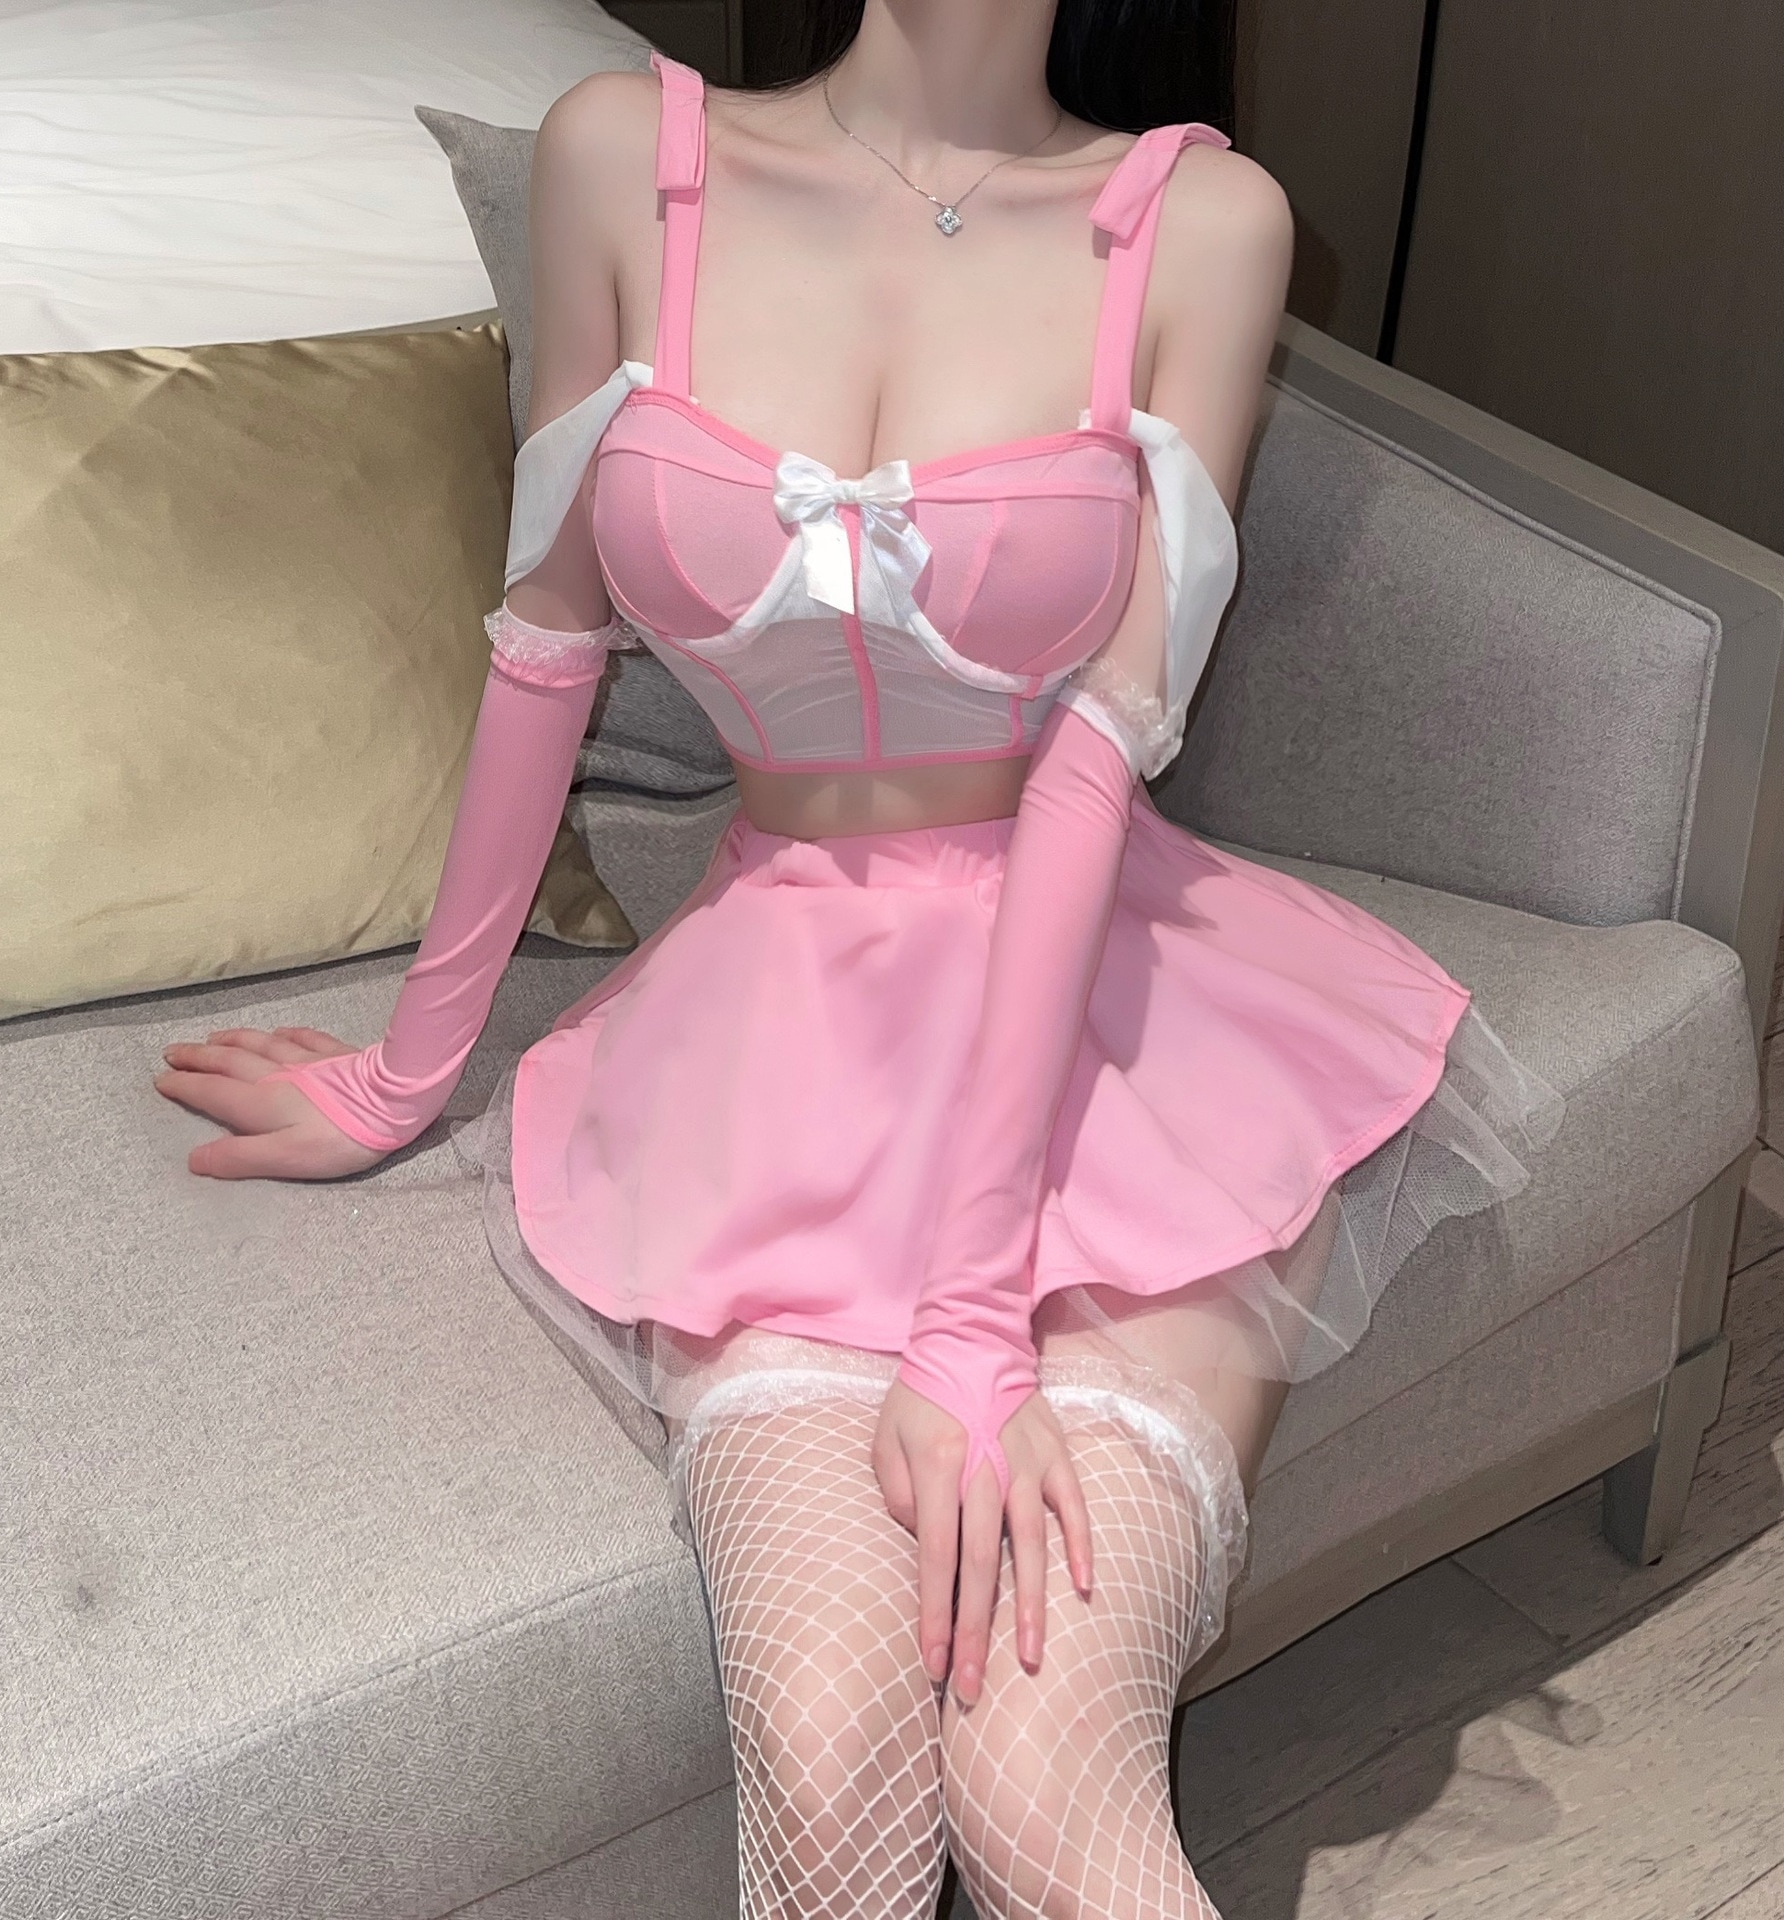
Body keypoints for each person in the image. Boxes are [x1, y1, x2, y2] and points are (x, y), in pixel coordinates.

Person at [156, 6, 1563, 1913]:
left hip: (1113, 1037)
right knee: (831, 1778)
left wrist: (973, 1318)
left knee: (1044, 1785)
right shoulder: (622, 153)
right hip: (777, 1040)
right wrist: (408, 1073)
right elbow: (548, 638)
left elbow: (1101, 749)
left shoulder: (1203, 222)